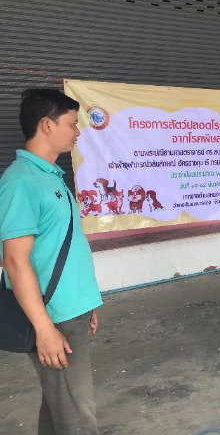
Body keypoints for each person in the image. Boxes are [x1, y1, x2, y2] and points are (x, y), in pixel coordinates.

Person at [0, 89, 103, 433]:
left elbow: (63, 248)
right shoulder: (20, 182)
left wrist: (86, 303)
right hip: (53, 318)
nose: (77, 132)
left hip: (70, 311)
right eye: (72, 124)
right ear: (47, 125)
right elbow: (15, 261)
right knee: (78, 418)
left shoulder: (50, 176)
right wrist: (44, 329)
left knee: (59, 407)